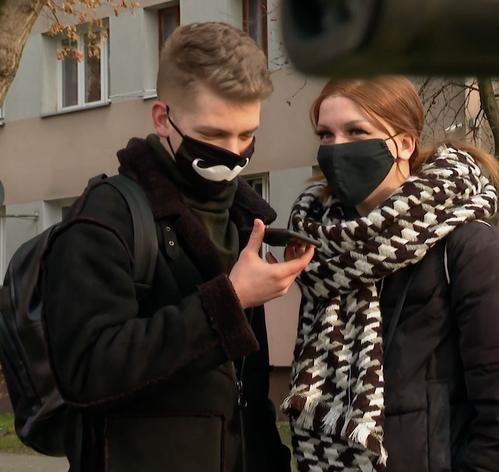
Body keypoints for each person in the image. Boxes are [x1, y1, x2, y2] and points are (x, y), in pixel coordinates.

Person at [41, 22, 314, 472]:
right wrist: (229, 301)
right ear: (162, 118)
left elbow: (248, 389)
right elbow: (85, 372)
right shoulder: (108, 215)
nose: (233, 155)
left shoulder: (243, 219)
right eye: (213, 134)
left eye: (246, 135)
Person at [281, 76, 499, 472]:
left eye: (357, 131)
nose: (337, 149)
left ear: (405, 144)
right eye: (326, 134)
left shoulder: (475, 252)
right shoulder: (326, 258)